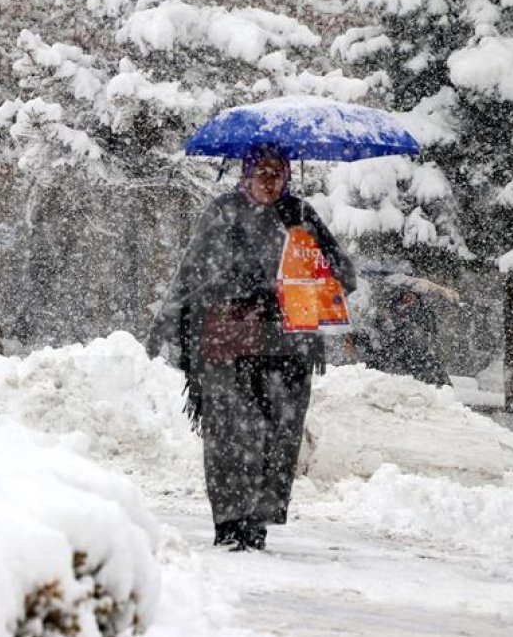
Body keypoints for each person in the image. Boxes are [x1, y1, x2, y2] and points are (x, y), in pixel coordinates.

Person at [146, 144, 356, 552]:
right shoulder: (222, 212)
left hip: (288, 349)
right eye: (261, 171)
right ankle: (229, 524)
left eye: (277, 172)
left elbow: (342, 273)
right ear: (246, 172)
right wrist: (170, 323)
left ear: (288, 175)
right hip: (228, 344)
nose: (269, 180)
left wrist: (305, 278)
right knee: (229, 435)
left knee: (276, 439)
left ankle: (256, 525)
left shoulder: (299, 215)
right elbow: (193, 273)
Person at [355, 271, 458, 385]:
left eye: (413, 296)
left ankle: (442, 387)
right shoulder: (389, 307)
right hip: (396, 349)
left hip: (408, 349)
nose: (410, 299)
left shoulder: (419, 312)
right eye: (408, 295)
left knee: (425, 363)